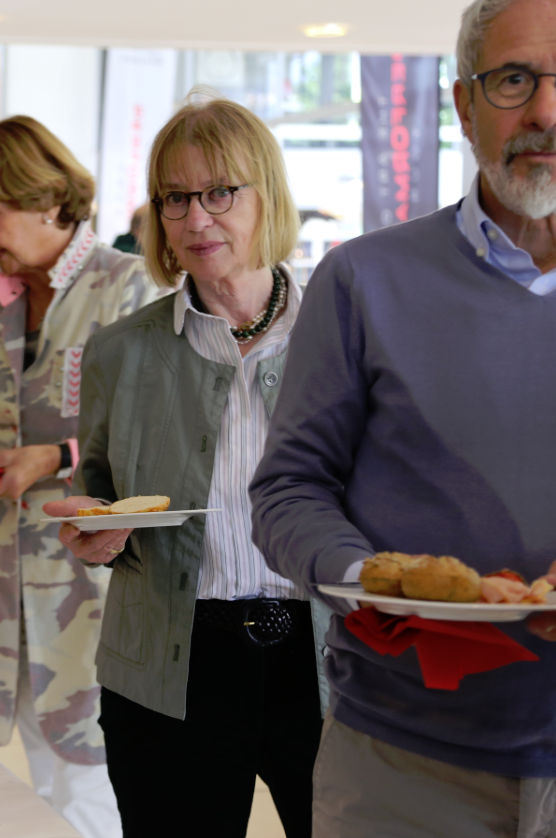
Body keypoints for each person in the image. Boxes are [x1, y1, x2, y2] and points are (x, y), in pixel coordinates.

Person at [249, 1, 556, 834]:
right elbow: (289, 490)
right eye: (514, 79)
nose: (545, 110)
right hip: (403, 767)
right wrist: (374, 581)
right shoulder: (362, 280)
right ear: (464, 105)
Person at [43, 95, 327, 838]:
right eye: (175, 198)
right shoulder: (119, 351)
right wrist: (96, 532)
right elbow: (98, 491)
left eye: (220, 192)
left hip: (329, 661)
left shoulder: (343, 337)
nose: (196, 218)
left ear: (269, 196)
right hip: (170, 670)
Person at [0, 115, 152, 838]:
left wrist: (52, 458)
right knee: (37, 776)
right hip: (6, 584)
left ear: (48, 200)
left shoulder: (129, 287)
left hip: (96, 582)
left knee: (90, 780)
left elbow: (155, 434)